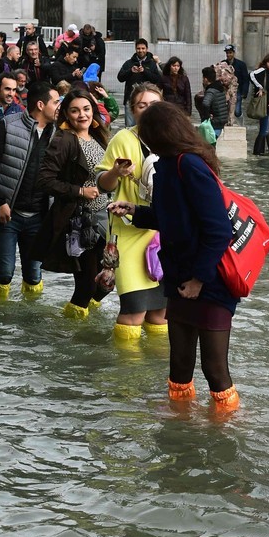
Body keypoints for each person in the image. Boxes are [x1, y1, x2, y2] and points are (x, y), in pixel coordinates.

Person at [108, 102, 240, 409]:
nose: (141, 138)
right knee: (179, 366)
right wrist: (137, 212)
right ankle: (181, 426)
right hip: (179, 277)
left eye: (144, 132)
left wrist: (199, 280)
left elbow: (219, 231)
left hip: (210, 281)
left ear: (159, 135)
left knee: (214, 368)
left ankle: (225, 429)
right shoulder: (166, 166)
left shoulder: (189, 165)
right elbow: (175, 217)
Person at [95, 83, 168, 344]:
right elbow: (102, 183)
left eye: (154, 105)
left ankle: (159, 370)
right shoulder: (123, 139)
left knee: (161, 314)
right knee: (134, 310)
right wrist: (116, 172)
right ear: (133, 110)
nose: (149, 111)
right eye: (142, 105)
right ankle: (126, 375)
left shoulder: (172, 139)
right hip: (128, 231)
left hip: (164, 234)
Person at [0, 82, 59, 300]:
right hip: (6, 215)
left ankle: (30, 319)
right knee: (4, 273)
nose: (60, 107)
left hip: (39, 217)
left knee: (33, 274)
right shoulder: (8, 125)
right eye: (56, 102)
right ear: (41, 105)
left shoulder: (59, 134)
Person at [34, 90, 111, 319]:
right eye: (75, 110)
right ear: (66, 113)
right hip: (80, 222)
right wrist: (79, 190)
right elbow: (44, 180)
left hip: (104, 218)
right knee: (87, 284)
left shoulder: (98, 135)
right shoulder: (64, 139)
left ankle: (82, 317)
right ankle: (73, 333)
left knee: (107, 282)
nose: (82, 115)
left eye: (86, 109)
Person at [116, 39, 162, 127]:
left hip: (146, 100)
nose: (140, 51)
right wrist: (130, 71)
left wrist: (144, 71)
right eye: (138, 48)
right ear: (135, 49)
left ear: (147, 49)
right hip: (130, 99)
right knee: (130, 127)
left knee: (146, 126)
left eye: (143, 48)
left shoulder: (152, 64)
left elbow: (156, 79)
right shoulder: (129, 63)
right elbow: (120, 78)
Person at [249, 54, 269, 155]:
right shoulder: (262, 70)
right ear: (266, 62)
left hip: (268, 104)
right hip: (263, 103)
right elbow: (251, 75)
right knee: (264, 129)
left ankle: (259, 151)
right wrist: (260, 87)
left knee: (264, 129)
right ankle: (258, 151)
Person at [198, 66, 229, 138]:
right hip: (221, 121)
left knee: (209, 146)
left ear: (205, 79)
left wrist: (207, 117)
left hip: (214, 123)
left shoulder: (211, 91)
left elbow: (205, 104)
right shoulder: (219, 88)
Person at [222, 44, 250, 119]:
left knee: (237, 111)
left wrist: (244, 92)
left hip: (237, 90)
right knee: (226, 109)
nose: (228, 54)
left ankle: (240, 118)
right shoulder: (223, 64)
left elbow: (245, 79)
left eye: (230, 52)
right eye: (227, 53)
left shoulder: (241, 64)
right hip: (226, 90)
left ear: (234, 53)